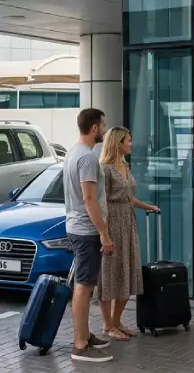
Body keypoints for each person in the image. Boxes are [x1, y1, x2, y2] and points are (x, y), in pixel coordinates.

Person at [95, 127, 159, 341]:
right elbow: (100, 202)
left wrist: (146, 206)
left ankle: (116, 321)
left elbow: (128, 197)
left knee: (127, 271)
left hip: (128, 221)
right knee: (109, 274)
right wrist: (104, 233)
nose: (132, 144)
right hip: (112, 222)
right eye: (128, 140)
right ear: (118, 143)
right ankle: (107, 325)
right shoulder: (104, 169)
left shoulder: (124, 165)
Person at [62, 107, 113, 363]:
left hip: (75, 226)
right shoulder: (88, 158)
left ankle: (85, 334)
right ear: (94, 128)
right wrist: (104, 233)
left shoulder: (72, 153)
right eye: (103, 125)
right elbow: (89, 199)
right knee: (83, 286)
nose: (104, 130)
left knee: (84, 285)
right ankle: (80, 344)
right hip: (86, 229)